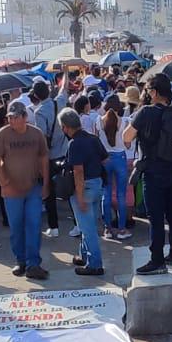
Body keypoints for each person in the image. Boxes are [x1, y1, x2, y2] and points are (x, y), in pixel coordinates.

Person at [124, 76, 172, 274]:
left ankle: (157, 260)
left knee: (156, 218)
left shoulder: (146, 112)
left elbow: (126, 137)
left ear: (153, 92)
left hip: (154, 171)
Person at [0, 101, 50, 279]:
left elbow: (44, 159)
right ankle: (20, 260)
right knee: (16, 227)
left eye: (16, 117)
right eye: (9, 117)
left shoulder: (36, 133)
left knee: (34, 225)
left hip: (33, 187)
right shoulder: (3, 134)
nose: (12, 121)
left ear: (25, 117)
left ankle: (34, 264)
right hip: (12, 191)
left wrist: (46, 184)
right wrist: (4, 182)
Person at [60, 108, 107, 275]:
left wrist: (79, 196)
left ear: (65, 127)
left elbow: (78, 171)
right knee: (89, 224)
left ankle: (95, 264)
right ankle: (84, 255)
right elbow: (105, 159)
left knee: (87, 229)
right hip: (97, 184)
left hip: (84, 187)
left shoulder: (74, 144)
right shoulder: (93, 139)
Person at [31, 74, 71, 238]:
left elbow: (41, 136)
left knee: (48, 190)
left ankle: (53, 226)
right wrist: (65, 73)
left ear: (35, 96)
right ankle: (76, 224)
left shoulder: (39, 112)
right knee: (70, 187)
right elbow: (64, 89)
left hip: (50, 156)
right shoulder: (60, 102)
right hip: (65, 152)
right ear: (48, 90)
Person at [95, 94, 131, 240]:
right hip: (120, 158)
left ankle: (107, 229)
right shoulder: (125, 121)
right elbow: (128, 144)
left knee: (106, 194)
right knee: (122, 195)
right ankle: (122, 229)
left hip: (104, 159)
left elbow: (96, 141)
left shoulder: (98, 121)